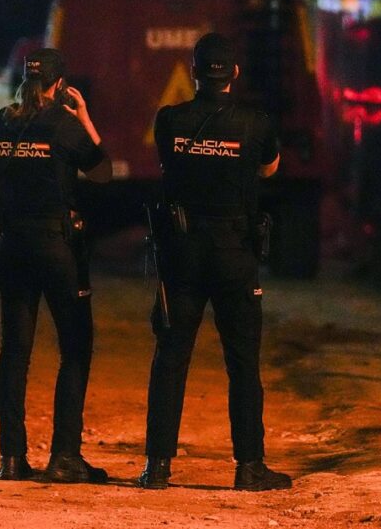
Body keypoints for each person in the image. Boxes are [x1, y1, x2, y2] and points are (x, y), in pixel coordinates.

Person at [138, 33, 292, 492]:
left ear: (193, 72)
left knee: (170, 358)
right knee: (243, 362)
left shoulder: (170, 121)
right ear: (235, 74)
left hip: (181, 252)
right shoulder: (255, 123)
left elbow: (169, 164)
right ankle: (249, 467)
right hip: (234, 253)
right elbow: (269, 169)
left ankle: (157, 468)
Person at [0, 48, 113, 483]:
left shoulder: (0, 122)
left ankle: (11, 459)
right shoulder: (65, 125)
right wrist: (86, 116)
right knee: (75, 346)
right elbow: (103, 173)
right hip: (57, 248)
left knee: (15, 351)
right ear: (59, 85)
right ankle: (64, 457)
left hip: (12, 245)